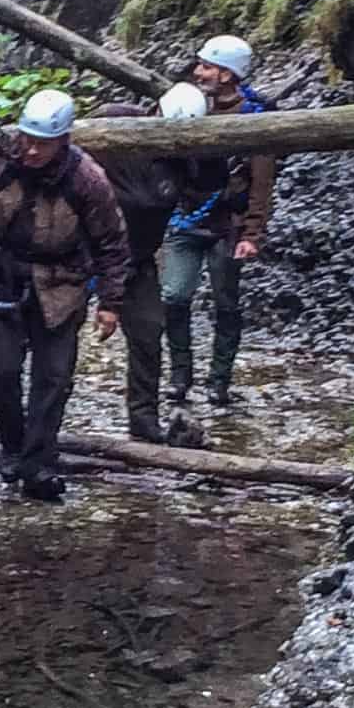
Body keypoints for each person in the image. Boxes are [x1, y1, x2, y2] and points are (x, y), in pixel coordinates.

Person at [0, 89, 129, 501]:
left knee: (53, 378)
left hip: (61, 281)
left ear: (64, 140)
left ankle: (38, 462)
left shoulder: (87, 179)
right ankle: (12, 447)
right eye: (28, 139)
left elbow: (111, 242)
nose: (32, 150)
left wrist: (110, 303)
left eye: (43, 143)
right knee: (1, 372)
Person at [162, 35, 277, 407]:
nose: (199, 72)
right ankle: (180, 376)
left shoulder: (253, 118)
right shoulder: (189, 106)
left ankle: (219, 381)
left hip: (229, 223)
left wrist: (252, 233)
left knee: (226, 304)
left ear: (228, 74)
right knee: (174, 297)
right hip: (186, 219)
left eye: (207, 67)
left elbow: (262, 181)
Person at [92, 82, 207, 442]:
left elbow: (212, 190)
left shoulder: (185, 161)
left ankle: (143, 423)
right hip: (82, 253)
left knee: (147, 333)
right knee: (53, 332)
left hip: (136, 260)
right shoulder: (115, 122)